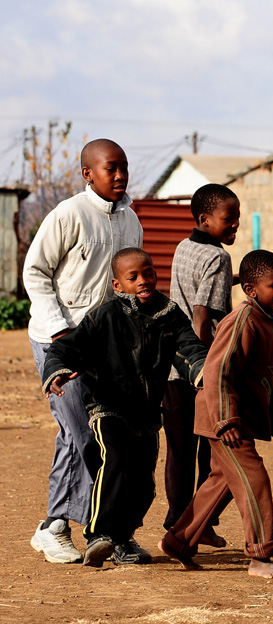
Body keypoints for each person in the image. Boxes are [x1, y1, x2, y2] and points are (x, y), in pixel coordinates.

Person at [41, 249, 208, 567]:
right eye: (133, 277)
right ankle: (99, 534)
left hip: (146, 414)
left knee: (143, 484)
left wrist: (203, 374)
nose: (143, 281)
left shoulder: (170, 315)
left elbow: (190, 348)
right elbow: (68, 346)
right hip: (109, 407)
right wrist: (58, 368)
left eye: (148, 273)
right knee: (115, 461)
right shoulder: (105, 316)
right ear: (118, 285)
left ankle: (122, 539)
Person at [23, 138, 144, 564]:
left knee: (89, 433)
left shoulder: (131, 220)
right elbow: (34, 271)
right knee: (83, 433)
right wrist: (58, 332)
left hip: (105, 349)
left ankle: (75, 527)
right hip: (60, 343)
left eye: (124, 167)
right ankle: (79, 527)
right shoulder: (69, 214)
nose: (120, 175)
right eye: (111, 168)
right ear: (88, 173)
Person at [160, 250, 273, 579]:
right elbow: (217, 370)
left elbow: (272, 380)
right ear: (250, 289)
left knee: (220, 483)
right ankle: (261, 556)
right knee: (254, 480)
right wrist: (226, 419)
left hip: (236, 421)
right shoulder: (242, 319)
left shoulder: (269, 325)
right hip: (223, 421)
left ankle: (179, 541)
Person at [161, 183, 240, 547]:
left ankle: (177, 518)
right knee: (211, 451)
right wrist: (208, 368)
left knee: (179, 450)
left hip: (171, 365)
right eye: (229, 218)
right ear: (205, 219)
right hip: (197, 369)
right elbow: (201, 314)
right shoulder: (219, 258)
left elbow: (190, 290)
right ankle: (198, 522)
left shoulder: (184, 245)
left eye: (237, 217)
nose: (235, 224)